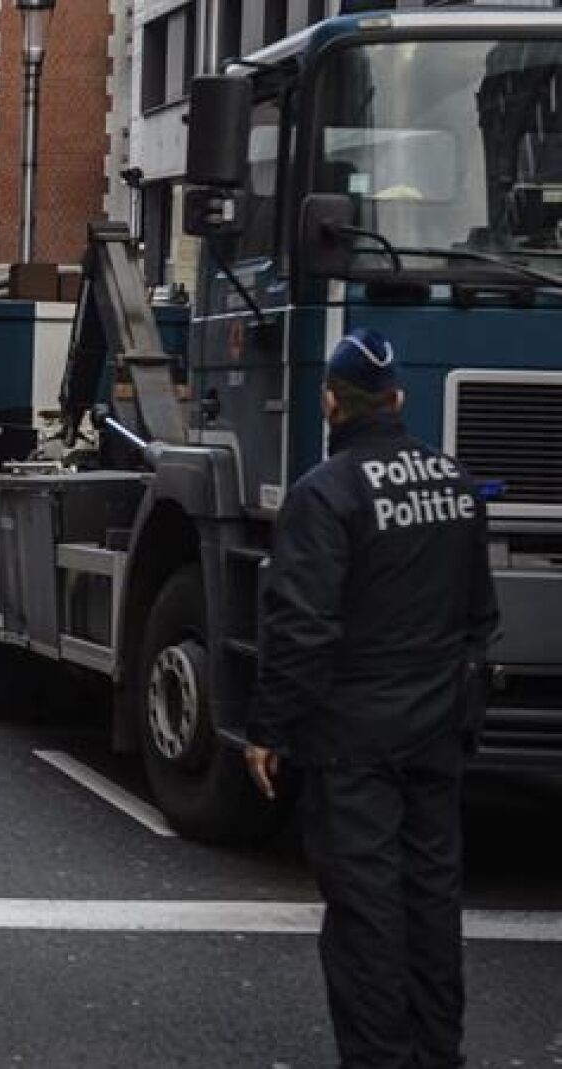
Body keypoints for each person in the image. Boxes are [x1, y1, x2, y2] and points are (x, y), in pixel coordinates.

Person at [245, 328, 498, 1069]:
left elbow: (303, 627)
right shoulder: (455, 483)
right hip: (437, 728)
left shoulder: (326, 492)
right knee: (432, 900)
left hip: (353, 738)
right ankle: (437, 1053)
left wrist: (269, 728)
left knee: (366, 912)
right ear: (398, 399)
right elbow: (478, 616)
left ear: (330, 402)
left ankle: (380, 1058)